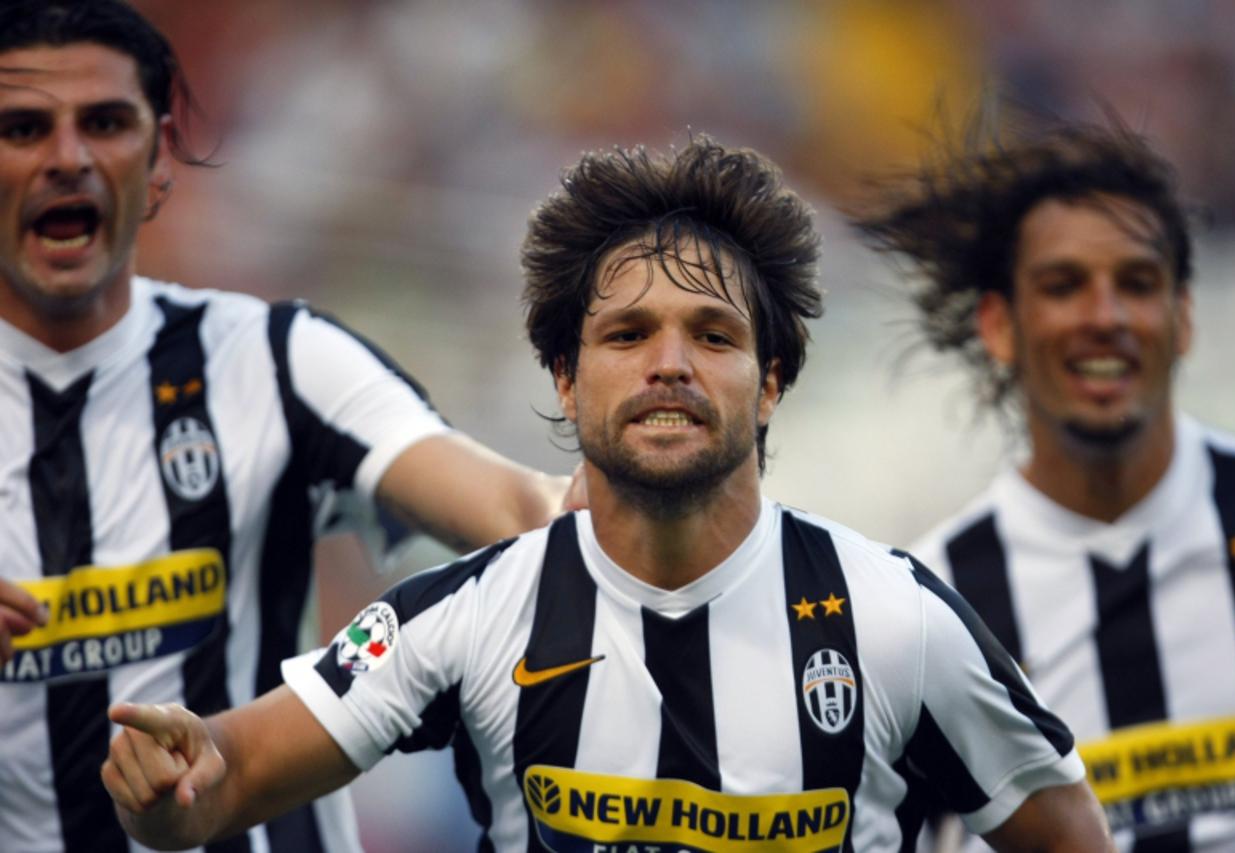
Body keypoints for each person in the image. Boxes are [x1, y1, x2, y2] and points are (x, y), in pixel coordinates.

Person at [101, 134, 1113, 852]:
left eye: (712, 335)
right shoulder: (460, 615)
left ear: (768, 382)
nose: (668, 364)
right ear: (565, 379)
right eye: (627, 335)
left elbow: (1067, 833)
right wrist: (172, 786)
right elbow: (225, 771)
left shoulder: (899, 619)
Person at [0, 2, 577, 851]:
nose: (69, 157)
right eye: (23, 128)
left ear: (160, 158)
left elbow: (517, 509)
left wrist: (621, 499)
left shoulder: (274, 358)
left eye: (106, 123)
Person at [852, 119, 1235, 850]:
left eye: (1137, 284)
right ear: (999, 325)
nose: (1104, 316)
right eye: (1063, 285)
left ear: (1181, 319)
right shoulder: (929, 608)